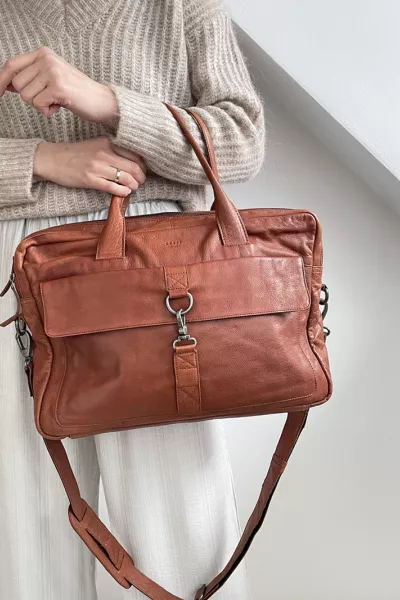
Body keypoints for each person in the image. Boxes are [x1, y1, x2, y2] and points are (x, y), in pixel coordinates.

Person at [0, 0, 265, 598]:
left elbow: (243, 140)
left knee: (177, 524)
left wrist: (109, 103)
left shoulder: (181, 6)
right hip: (22, 273)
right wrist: (44, 159)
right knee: (31, 521)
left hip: (157, 280)